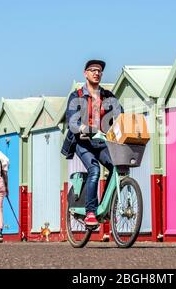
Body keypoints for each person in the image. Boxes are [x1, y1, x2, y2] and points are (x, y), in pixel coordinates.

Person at [61, 59, 123, 226]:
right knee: (94, 169)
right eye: (93, 70)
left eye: (99, 71)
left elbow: (120, 116)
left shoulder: (107, 96)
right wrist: (82, 128)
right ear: (85, 74)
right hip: (83, 142)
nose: (97, 73)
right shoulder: (77, 96)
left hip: (102, 142)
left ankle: (107, 206)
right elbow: (72, 121)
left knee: (117, 166)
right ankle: (90, 211)